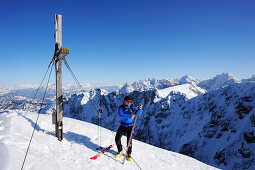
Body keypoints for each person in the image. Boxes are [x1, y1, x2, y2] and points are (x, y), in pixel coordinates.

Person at [115, 96, 143, 161]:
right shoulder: (121, 108)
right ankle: (120, 151)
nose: (129, 102)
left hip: (130, 126)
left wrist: (140, 109)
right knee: (117, 138)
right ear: (125, 101)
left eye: (130, 101)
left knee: (129, 140)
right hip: (123, 125)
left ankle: (129, 154)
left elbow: (138, 114)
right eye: (128, 101)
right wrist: (129, 115)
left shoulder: (132, 107)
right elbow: (121, 115)